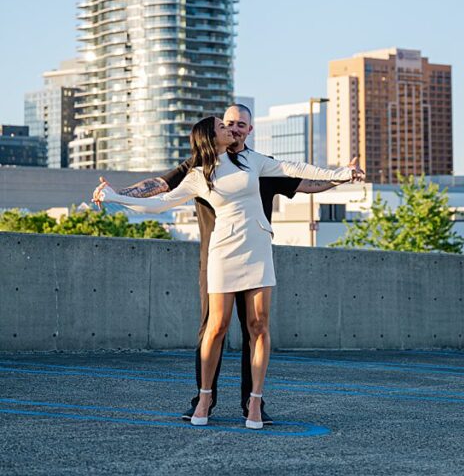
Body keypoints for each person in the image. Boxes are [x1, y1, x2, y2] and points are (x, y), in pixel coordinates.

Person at [96, 115, 364, 429]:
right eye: (223, 126)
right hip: (223, 252)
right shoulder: (197, 174)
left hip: (258, 248)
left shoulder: (254, 161)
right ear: (211, 137)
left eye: (234, 124)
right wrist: (115, 196)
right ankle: (205, 397)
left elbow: (297, 169)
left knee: (259, 325)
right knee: (216, 327)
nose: (229, 129)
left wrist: (342, 173)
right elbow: (161, 202)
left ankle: (254, 403)